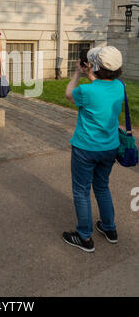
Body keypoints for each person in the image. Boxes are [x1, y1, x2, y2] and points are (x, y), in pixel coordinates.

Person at [63, 46, 124, 253]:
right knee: (102, 187)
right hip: (110, 147)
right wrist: (91, 75)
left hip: (86, 148)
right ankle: (109, 229)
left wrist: (77, 74)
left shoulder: (87, 91)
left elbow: (69, 95)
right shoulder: (120, 87)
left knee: (81, 191)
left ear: (95, 66)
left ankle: (84, 236)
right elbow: (103, 88)